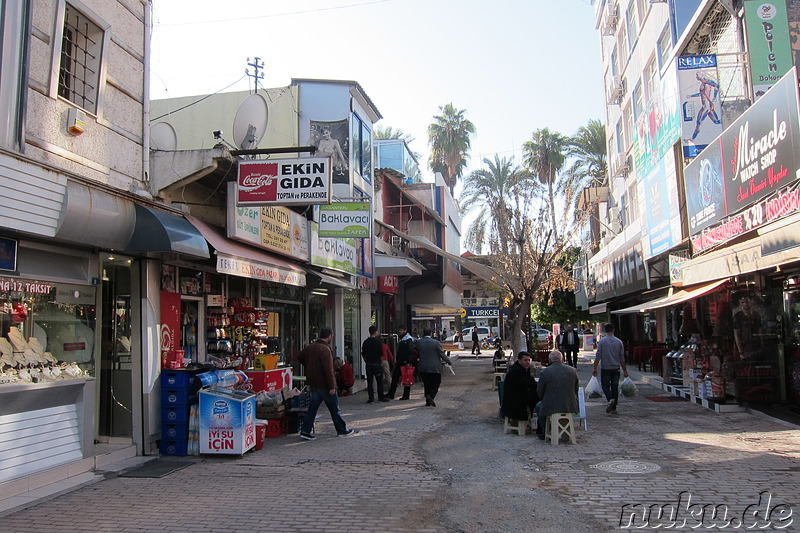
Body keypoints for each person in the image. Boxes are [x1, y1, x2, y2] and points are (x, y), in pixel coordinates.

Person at [297, 327, 354, 440]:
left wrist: (309, 366)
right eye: (331, 336)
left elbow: (300, 357)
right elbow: (329, 370)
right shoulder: (325, 349)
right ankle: (341, 430)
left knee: (312, 408)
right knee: (334, 409)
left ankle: (305, 430)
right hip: (324, 384)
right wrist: (332, 386)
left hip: (314, 382)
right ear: (329, 336)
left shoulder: (310, 347)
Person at [535, 350, 579, 440]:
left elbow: (540, 393)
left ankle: (546, 431)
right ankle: (565, 434)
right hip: (569, 405)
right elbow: (576, 389)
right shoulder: (573, 371)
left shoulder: (545, 372)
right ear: (562, 359)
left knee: (538, 406)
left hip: (551, 406)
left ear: (550, 360)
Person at [592, 323, 629, 414]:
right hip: (616, 368)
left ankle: (610, 399)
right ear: (613, 330)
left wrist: (595, 368)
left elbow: (598, 355)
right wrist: (624, 370)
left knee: (605, 385)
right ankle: (614, 407)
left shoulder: (602, 341)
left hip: (605, 367)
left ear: (605, 330)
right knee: (615, 387)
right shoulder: (619, 342)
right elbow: (622, 358)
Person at [415, 328, 453, 407]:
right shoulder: (435, 343)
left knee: (426, 383)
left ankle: (427, 401)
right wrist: (448, 361)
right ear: (431, 334)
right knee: (436, 382)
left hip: (423, 366)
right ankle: (431, 396)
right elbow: (441, 354)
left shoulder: (419, 342)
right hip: (434, 367)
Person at [501, 351, 538, 424]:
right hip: (515, 401)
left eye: (528, 360)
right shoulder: (517, 371)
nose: (527, 362)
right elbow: (526, 384)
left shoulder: (524, 369)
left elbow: (530, 382)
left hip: (519, 396)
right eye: (525, 360)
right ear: (519, 361)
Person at [361, 325, 389, 403]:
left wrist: (366, 360)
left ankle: (371, 398)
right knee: (379, 381)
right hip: (377, 364)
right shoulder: (378, 342)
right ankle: (381, 396)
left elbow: (363, 353)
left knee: (370, 382)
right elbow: (381, 354)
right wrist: (380, 363)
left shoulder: (366, 342)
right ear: (376, 332)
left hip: (369, 364)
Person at [387, 325, 415, 400]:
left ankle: (405, 395)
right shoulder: (403, 339)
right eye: (399, 330)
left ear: (405, 330)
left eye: (401, 330)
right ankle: (391, 394)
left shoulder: (408, 339)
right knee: (395, 377)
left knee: (406, 378)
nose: (400, 332)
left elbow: (409, 351)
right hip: (400, 361)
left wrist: (408, 362)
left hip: (405, 362)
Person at [733, 293, 762, 360]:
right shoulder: (738, 317)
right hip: (745, 348)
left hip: (756, 347)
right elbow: (737, 334)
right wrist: (741, 351)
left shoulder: (756, 315)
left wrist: (762, 345)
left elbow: (760, 331)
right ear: (740, 304)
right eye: (743, 302)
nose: (746, 304)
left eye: (747, 301)